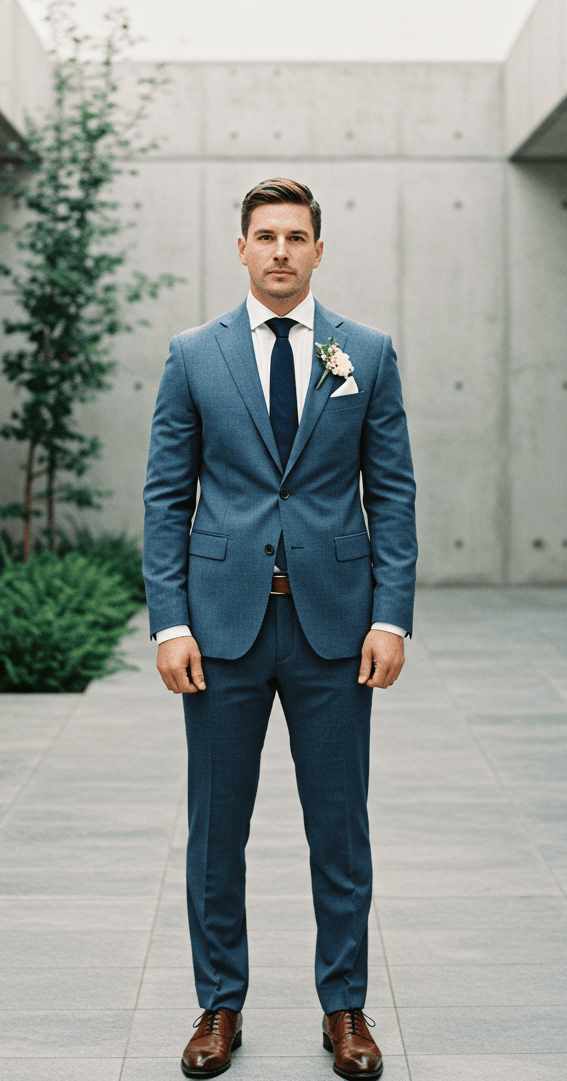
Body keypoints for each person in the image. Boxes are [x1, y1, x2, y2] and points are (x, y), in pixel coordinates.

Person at [143, 177, 417, 1079]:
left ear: (319, 250)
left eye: (297, 237)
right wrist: (168, 623)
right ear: (241, 247)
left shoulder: (365, 353)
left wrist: (391, 616)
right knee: (218, 829)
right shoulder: (193, 355)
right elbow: (163, 497)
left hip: (335, 629)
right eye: (265, 236)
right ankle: (218, 1005)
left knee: (339, 828)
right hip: (219, 630)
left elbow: (395, 492)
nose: (280, 252)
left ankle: (346, 1010)